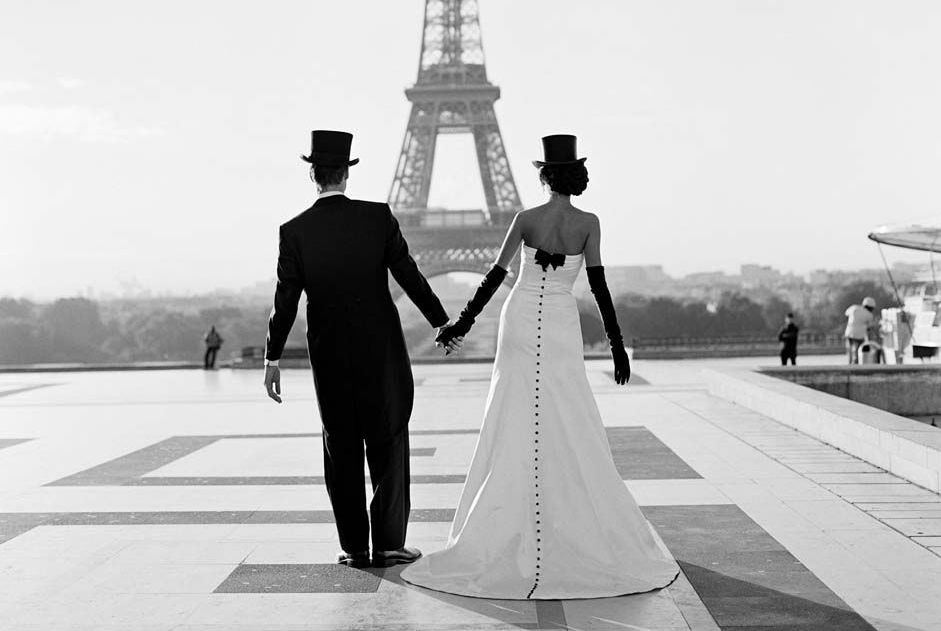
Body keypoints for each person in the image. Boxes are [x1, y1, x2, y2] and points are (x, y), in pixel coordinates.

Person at [402, 135, 678, 600]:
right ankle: (564, 509)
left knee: (511, 411)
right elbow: (599, 287)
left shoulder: (525, 218)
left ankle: (508, 515)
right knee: (568, 411)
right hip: (560, 322)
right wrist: (617, 346)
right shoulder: (588, 222)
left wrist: (460, 325)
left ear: (545, 175)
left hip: (520, 315)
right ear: (576, 175)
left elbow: (494, 277)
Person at [263, 130, 463, 570]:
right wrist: (441, 322)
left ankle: (354, 546)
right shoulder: (377, 218)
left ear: (313, 175)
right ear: (346, 174)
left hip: (329, 353)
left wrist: (272, 356)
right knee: (388, 438)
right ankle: (389, 543)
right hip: (380, 350)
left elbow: (285, 300)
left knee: (341, 446)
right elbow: (409, 275)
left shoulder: (294, 231)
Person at [844, 296, 877, 364]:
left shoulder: (854, 308)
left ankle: (850, 364)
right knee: (858, 351)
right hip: (859, 335)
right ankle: (856, 365)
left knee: (850, 350)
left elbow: (846, 313)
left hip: (849, 333)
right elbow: (869, 327)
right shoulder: (869, 315)